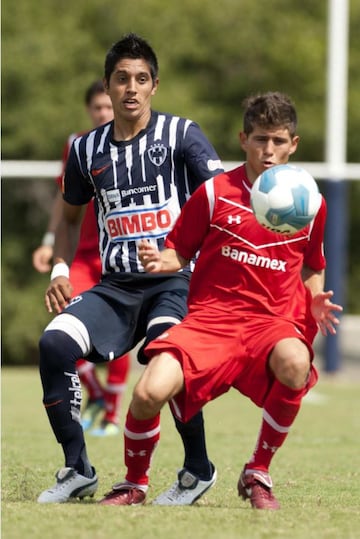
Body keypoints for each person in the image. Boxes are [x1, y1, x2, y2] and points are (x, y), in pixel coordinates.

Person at [100, 91, 343, 509]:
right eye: (261, 139)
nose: (269, 151)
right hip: (210, 323)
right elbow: (180, 250)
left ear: (294, 144)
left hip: (271, 324)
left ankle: (257, 473)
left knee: (296, 363)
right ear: (243, 139)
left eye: (279, 141)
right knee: (147, 393)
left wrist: (314, 296)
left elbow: (312, 265)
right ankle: (134, 483)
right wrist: (163, 260)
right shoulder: (215, 193)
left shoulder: (311, 203)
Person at [37, 33, 224, 504]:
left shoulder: (181, 135)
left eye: (141, 79)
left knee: (167, 357)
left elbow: (223, 201)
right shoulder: (85, 150)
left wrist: (185, 256)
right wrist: (60, 266)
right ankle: (77, 468)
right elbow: (70, 216)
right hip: (115, 288)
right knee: (54, 344)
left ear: (155, 85)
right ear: (108, 85)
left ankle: (197, 469)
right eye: (122, 79)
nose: (132, 88)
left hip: (174, 283)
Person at [32, 80, 130, 437]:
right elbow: (64, 199)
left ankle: (112, 415)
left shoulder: (136, 144)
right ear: (90, 110)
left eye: (109, 106)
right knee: (65, 320)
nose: (104, 113)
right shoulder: (78, 146)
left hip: (117, 258)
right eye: (98, 108)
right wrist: (48, 241)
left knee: (122, 331)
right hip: (83, 257)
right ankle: (100, 396)